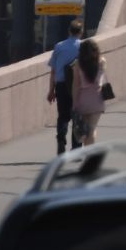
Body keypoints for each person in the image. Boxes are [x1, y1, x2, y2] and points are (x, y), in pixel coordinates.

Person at [46, 18, 84, 155]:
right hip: (78, 86)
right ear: (81, 32)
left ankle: (61, 140)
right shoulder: (83, 46)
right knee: (77, 116)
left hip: (61, 86)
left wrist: (51, 90)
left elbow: (53, 71)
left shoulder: (59, 46)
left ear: (69, 31)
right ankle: (77, 148)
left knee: (63, 116)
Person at [70, 38, 110, 148]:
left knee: (85, 130)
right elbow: (99, 82)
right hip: (97, 100)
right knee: (92, 129)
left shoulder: (78, 64)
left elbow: (76, 86)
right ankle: (89, 154)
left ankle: (87, 151)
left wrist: (74, 103)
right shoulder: (101, 61)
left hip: (82, 101)